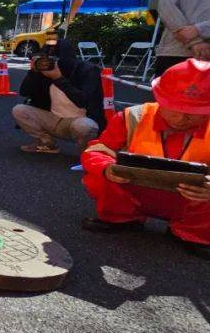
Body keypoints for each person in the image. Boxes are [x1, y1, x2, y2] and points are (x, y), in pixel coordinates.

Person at [81, 58, 210, 257]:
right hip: (136, 189)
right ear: (159, 98)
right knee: (100, 175)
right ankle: (122, 218)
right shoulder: (133, 116)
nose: (181, 119)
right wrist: (107, 168)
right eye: (174, 109)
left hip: (195, 198)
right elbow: (96, 151)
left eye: (192, 113)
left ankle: (193, 233)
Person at [13, 38, 105, 153]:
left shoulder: (87, 70)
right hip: (54, 118)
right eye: (47, 58)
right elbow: (24, 92)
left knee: (85, 126)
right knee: (19, 110)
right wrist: (33, 71)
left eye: (54, 59)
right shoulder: (45, 68)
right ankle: (47, 143)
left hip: (80, 119)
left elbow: (83, 101)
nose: (51, 62)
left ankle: (87, 153)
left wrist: (58, 79)